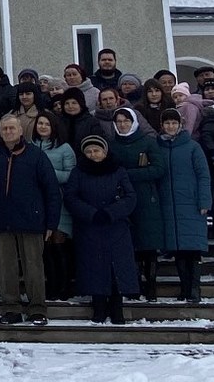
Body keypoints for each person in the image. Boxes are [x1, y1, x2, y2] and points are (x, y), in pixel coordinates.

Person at [0, 115, 60, 326]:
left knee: (33, 266)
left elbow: (51, 190)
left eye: (12, 128)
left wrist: (51, 223)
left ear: (20, 131)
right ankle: (11, 308)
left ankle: (37, 308)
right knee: (6, 267)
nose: (8, 132)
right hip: (1, 220)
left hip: (31, 220)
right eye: (4, 128)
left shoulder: (36, 156)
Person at [63, 135, 138, 324]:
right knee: (94, 267)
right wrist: (91, 213)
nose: (93, 154)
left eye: (96, 150)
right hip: (90, 226)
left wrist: (112, 212)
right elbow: (71, 197)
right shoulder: (78, 172)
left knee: (117, 267)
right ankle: (98, 306)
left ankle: (116, 306)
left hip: (116, 226)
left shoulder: (118, 171)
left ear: (104, 152)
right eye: (88, 152)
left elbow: (130, 197)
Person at [156, 109, 211, 303]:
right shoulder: (157, 146)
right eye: (167, 123)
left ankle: (195, 288)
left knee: (193, 249)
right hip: (168, 205)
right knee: (177, 248)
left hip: (191, 204)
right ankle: (184, 288)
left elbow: (203, 175)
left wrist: (205, 200)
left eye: (174, 123)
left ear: (180, 125)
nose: (170, 126)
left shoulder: (193, 147)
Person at [111, 106, 165, 301]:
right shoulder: (112, 144)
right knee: (128, 244)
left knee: (148, 244)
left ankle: (151, 284)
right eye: (119, 121)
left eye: (126, 121)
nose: (122, 125)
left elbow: (159, 169)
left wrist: (129, 174)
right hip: (121, 198)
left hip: (145, 198)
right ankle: (133, 284)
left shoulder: (148, 142)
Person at [30, 111, 76, 300]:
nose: (42, 127)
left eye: (46, 124)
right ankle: (51, 285)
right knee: (45, 248)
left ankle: (65, 286)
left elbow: (71, 175)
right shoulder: (31, 147)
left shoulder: (65, 148)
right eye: (40, 123)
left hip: (60, 202)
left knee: (59, 245)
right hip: (38, 202)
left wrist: (47, 173)